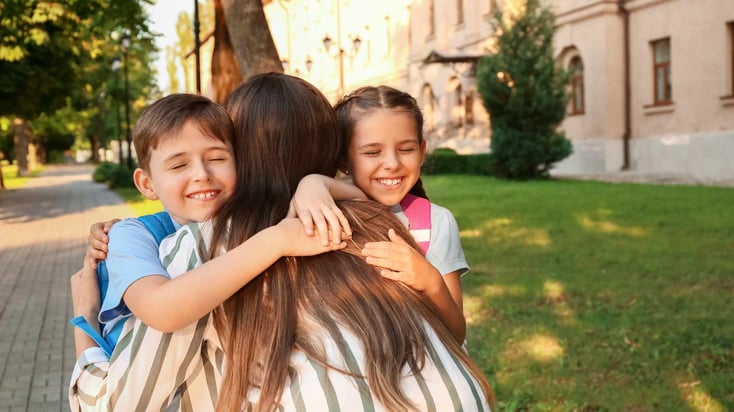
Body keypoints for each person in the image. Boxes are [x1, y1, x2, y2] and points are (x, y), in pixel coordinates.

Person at [70, 86, 359, 410]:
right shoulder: (143, 237)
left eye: (218, 157)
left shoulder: (231, 238)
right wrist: (85, 314)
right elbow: (160, 310)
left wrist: (313, 186)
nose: (202, 175)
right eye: (179, 165)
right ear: (146, 183)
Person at [334, 85, 468, 342]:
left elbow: (457, 334)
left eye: (406, 149)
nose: (393, 164)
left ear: (422, 151)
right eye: (373, 152)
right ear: (343, 159)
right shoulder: (329, 216)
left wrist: (431, 282)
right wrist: (312, 186)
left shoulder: (436, 222)